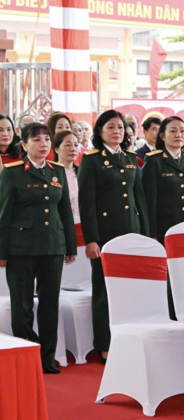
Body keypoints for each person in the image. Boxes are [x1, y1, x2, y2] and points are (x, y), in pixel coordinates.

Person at [0, 123, 76, 373]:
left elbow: (64, 211)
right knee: (22, 306)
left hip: (52, 246)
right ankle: (28, 352)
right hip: (21, 248)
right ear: (24, 145)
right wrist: (2, 252)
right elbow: (4, 215)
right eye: (36, 140)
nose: (43, 144)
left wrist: (70, 246)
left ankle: (46, 357)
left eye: (46, 139)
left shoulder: (58, 172)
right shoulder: (12, 172)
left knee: (49, 304)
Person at [78, 110, 149, 361]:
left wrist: (146, 236)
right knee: (104, 291)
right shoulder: (92, 159)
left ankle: (128, 337)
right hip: (105, 236)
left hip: (131, 232)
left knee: (130, 289)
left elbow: (139, 198)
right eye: (110, 127)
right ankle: (104, 344)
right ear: (99, 131)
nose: (117, 131)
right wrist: (92, 239)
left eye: (120, 127)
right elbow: (87, 203)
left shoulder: (131, 158)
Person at [141, 117, 184, 245]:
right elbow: (149, 201)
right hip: (165, 228)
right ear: (162, 136)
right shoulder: (154, 161)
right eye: (173, 131)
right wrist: (151, 234)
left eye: (182, 131)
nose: (178, 134)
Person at [52, 130, 81, 222]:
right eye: (68, 145)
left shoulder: (82, 172)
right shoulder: (51, 173)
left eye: (76, 145)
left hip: (83, 224)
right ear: (56, 149)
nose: (73, 149)